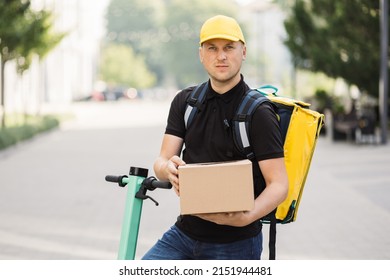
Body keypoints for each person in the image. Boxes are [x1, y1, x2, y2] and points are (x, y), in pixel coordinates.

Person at [142, 15, 288, 260]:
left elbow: (279, 184)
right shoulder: (185, 102)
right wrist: (168, 169)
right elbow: (161, 162)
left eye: (229, 48)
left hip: (237, 242)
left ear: (243, 52)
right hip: (184, 234)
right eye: (212, 48)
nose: (221, 56)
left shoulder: (259, 112)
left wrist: (247, 217)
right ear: (201, 54)